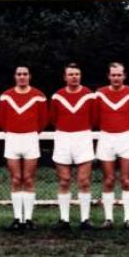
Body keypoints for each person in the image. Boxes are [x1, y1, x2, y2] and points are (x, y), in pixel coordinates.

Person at [0, 65, 47, 230]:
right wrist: (13, 131)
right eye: (19, 74)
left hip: (30, 138)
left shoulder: (39, 96)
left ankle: (29, 219)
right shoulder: (6, 96)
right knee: (16, 178)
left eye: (25, 74)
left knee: (28, 178)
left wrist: (30, 132)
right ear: (15, 76)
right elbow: (1, 119)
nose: (22, 77)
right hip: (12, 138)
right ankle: (18, 218)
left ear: (29, 76)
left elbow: (43, 119)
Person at [49, 63, 96, 230]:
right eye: (70, 74)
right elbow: (53, 119)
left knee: (84, 181)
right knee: (64, 180)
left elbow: (94, 118)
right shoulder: (57, 96)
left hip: (83, 138)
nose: (74, 77)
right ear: (65, 77)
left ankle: (85, 219)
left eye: (77, 74)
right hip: (63, 138)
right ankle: (64, 219)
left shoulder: (89, 95)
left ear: (80, 76)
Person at [94, 62, 129, 229]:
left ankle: (128, 219)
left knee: (126, 180)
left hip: (126, 137)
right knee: (109, 179)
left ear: (124, 76)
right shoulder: (100, 93)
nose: (116, 78)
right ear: (108, 76)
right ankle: (108, 219)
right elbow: (95, 117)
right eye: (113, 75)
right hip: (106, 137)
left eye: (119, 75)